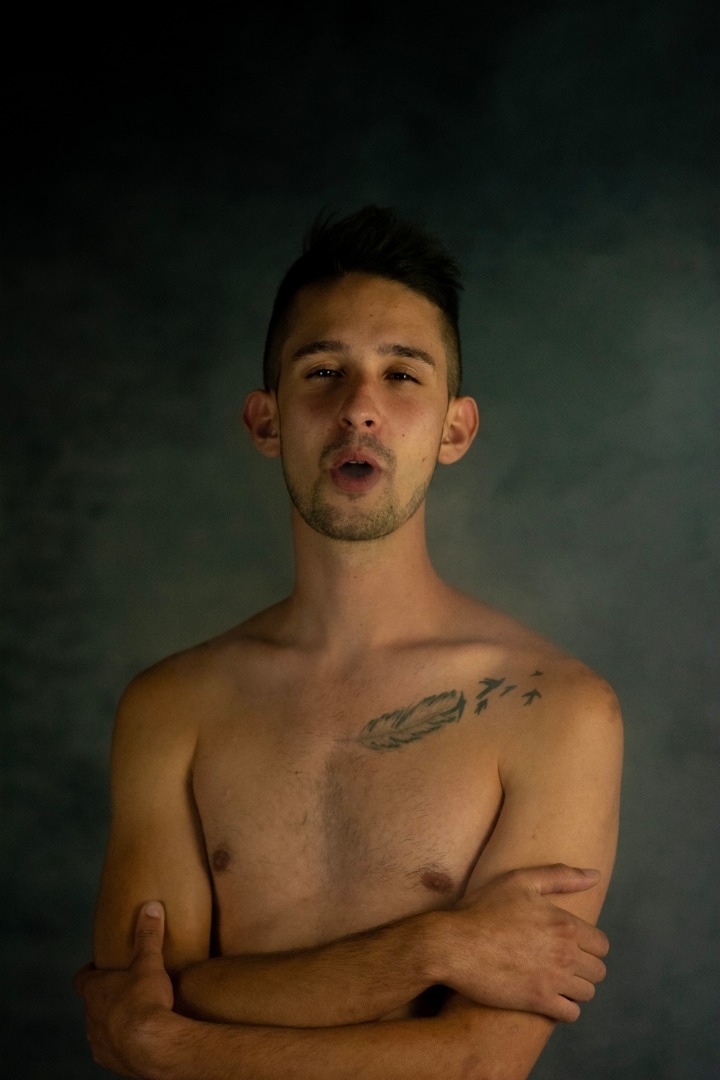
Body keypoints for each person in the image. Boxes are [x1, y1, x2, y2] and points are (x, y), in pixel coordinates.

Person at [75, 206, 623, 1079]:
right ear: (266, 421)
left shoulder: (556, 710)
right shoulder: (170, 708)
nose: (360, 408)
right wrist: (433, 948)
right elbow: (132, 1010)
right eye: (323, 371)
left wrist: (175, 1039)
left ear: (453, 429)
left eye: (402, 375)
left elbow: (478, 1063)